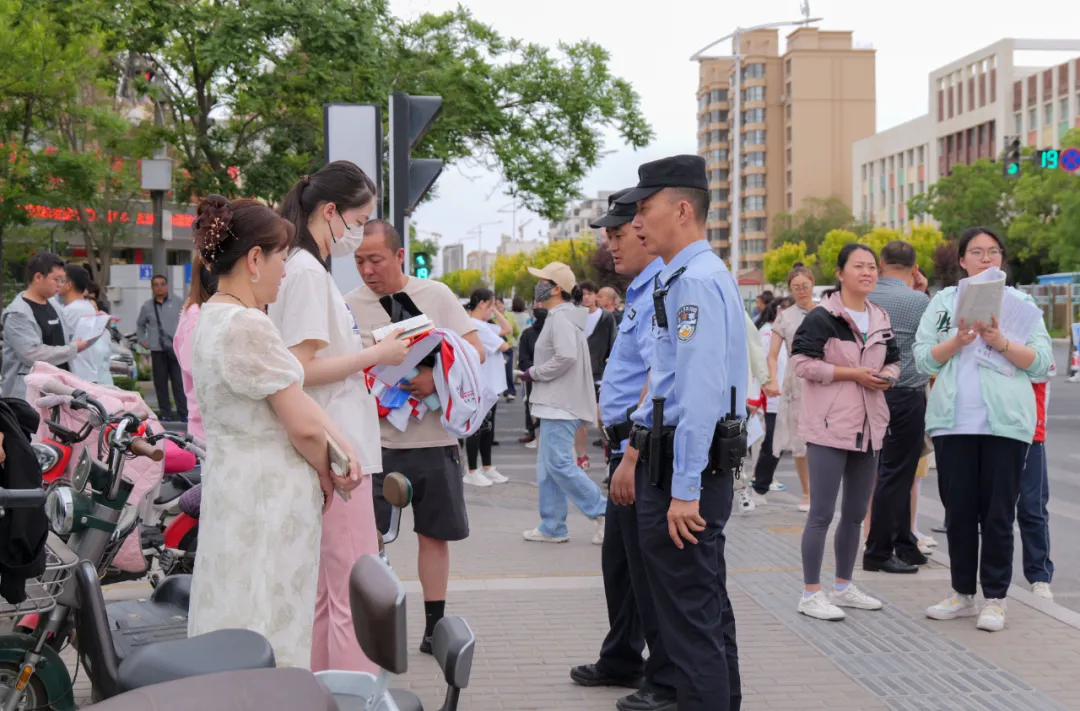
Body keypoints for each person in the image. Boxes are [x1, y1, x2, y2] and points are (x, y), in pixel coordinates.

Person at [187, 195, 364, 669]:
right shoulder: (248, 325)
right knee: (269, 616)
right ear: (254, 259)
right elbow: (303, 424)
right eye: (281, 258)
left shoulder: (210, 316)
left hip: (233, 485)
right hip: (269, 493)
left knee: (232, 605)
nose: (285, 272)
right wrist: (332, 469)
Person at [614, 154, 747, 711]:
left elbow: (697, 395)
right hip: (677, 462)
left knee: (690, 626)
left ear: (683, 210)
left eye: (645, 209)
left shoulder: (693, 282)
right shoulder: (691, 276)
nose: (636, 223)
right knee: (704, 614)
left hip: (680, 470)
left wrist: (685, 488)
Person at [273, 162, 413, 671]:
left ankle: (321, 689)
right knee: (352, 589)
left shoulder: (299, 266)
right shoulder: (309, 273)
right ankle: (356, 694)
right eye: (358, 221)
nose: (358, 232)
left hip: (327, 444)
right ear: (330, 212)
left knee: (324, 592)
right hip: (338, 447)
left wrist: (365, 349)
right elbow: (301, 369)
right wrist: (377, 354)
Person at [343, 218, 486, 654]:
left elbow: (476, 351)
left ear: (400, 256)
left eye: (376, 259)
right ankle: (370, 628)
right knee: (368, 540)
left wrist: (433, 379)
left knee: (433, 535)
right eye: (359, 261)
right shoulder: (348, 304)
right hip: (375, 444)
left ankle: (433, 626)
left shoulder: (436, 295)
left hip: (433, 440)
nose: (368, 270)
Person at [916, 226, 1052, 632]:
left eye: (993, 251)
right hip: (953, 422)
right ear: (962, 260)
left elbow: (1042, 363)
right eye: (976, 252)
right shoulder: (943, 302)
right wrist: (957, 341)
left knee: (998, 515)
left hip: (1006, 424)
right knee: (959, 513)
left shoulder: (1021, 303)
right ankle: (962, 594)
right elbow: (923, 359)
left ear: (1002, 259)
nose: (986, 258)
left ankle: (995, 598)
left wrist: (1001, 341)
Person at [569, 189, 676, 711]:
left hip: (643, 448)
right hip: (624, 445)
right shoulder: (639, 291)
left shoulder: (663, 290)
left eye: (618, 234)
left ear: (642, 231)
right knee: (622, 565)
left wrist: (631, 450)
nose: (611, 245)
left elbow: (661, 378)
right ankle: (622, 656)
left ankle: (664, 677)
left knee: (649, 570)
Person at [790, 243, 899, 621]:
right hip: (828, 428)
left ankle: (843, 586)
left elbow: (895, 361)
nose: (867, 272)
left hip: (869, 427)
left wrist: (887, 378)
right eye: (858, 266)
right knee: (821, 513)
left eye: (872, 267)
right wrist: (852, 374)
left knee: (854, 514)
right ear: (840, 274)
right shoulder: (822, 317)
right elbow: (802, 364)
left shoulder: (880, 316)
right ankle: (810, 593)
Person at [518, 261, 606, 545]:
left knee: (557, 464)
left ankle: (604, 512)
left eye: (542, 281)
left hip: (559, 403)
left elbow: (565, 357)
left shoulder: (560, 318)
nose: (537, 286)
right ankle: (553, 526)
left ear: (557, 289)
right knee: (549, 467)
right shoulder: (564, 316)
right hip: (557, 402)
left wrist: (535, 373)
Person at [862, 241, 932, 575]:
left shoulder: (866, 296)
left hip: (869, 391)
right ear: (914, 268)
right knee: (897, 474)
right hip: (906, 393)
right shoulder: (920, 301)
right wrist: (922, 292)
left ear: (881, 263)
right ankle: (878, 551)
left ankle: (904, 543)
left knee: (890, 471)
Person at [2, 253, 94, 399]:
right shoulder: (17, 313)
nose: (60, 284)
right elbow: (32, 354)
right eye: (56, 279)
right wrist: (73, 349)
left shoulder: (53, 305)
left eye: (62, 280)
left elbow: (67, 336)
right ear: (38, 277)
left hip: (58, 390)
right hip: (28, 396)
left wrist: (94, 321)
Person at [764, 263, 814, 511]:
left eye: (805, 286)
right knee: (800, 439)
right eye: (796, 287)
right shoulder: (785, 317)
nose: (801, 291)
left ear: (812, 284)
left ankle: (822, 491)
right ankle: (807, 493)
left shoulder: (827, 311)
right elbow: (772, 355)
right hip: (796, 382)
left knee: (824, 438)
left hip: (825, 379)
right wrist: (772, 379)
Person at [463, 289, 512, 487]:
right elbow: (505, 346)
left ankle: (487, 467)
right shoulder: (475, 326)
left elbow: (507, 329)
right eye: (491, 305)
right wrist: (492, 310)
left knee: (488, 428)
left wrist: (496, 311)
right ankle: (472, 470)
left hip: (492, 384)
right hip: (482, 384)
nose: (493, 310)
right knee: (478, 428)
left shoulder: (483, 325)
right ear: (482, 303)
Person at [1020, 362, 1055, 601]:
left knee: (1032, 508)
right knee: (991, 511)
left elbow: (1042, 371)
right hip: (990, 431)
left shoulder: (1038, 341)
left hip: (1030, 432)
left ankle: (1039, 576)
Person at [174, 255, 217, 441]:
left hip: (211, 426)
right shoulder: (195, 316)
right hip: (206, 428)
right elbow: (195, 369)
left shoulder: (200, 313)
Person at [576, 279, 617, 470]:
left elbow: (613, 344)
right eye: (583, 294)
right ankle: (582, 456)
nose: (586, 298)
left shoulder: (606, 318)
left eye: (590, 294)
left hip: (600, 373)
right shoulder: (574, 316)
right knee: (580, 418)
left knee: (602, 417)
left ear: (595, 296)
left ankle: (609, 453)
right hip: (578, 374)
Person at [137, 274, 187, 421]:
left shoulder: (178, 302)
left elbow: (186, 322)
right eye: (156, 284)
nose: (159, 287)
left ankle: (184, 413)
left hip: (175, 349)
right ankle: (165, 414)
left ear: (167, 285)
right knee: (160, 384)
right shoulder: (147, 306)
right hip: (157, 350)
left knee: (179, 382)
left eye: (162, 284)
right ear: (152, 287)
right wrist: (142, 340)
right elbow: (140, 324)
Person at [750, 299, 785, 502]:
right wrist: (756, 395)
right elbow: (758, 366)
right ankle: (758, 484)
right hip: (769, 398)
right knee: (768, 442)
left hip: (789, 398)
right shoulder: (766, 333)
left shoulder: (793, 331)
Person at [57, 264, 113, 385]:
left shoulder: (71, 311)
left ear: (69, 285)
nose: (58, 284)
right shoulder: (88, 307)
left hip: (76, 375)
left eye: (61, 280)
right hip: (87, 373)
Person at [516, 306, 545, 447]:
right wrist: (535, 371)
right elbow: (523, 359)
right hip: (533, 376)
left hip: (552, 376)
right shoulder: (528, 334)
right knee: (531, 403)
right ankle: (532, 431)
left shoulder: (556, 333)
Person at [495, 299, 520, 403]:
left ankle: (510, 392)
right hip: (496, 349)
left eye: (500, 303)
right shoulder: (492, 318)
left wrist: (515, 341)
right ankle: (495, 393)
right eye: (495, 304)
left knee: (508, 371)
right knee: (496, 371)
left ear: (503, 304)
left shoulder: (510, 316)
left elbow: (516, 331)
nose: (498, 306)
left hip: (508, 348)